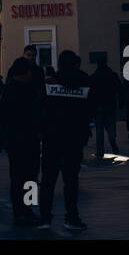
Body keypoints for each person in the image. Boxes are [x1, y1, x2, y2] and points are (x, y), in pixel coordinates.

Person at [38, 50, 92, 232]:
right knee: (71, 181)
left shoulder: (50, 82)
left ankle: (45, 217)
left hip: (52, 138)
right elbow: (89, 108)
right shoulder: (83, 80)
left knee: (48, 181)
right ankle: (72, 217)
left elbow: (42, 109)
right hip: (73, 138)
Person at [0, 58, 42, 226]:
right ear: (26, 73)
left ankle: (18, 212)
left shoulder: (7, 90)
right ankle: (29, 210)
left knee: (16, 177)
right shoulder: (29, 91)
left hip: (13, 142)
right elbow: (36, 116)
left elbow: (3, 116)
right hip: (28, 140)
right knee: (31, 178)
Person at [90, 58, 123, 157]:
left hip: (98, 107)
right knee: (111, 127)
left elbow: (91, 93)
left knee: (99, 130)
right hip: (110, 105)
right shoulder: (112, 75)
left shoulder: (94, 77)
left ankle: (100, 152)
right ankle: (113, 143)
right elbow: (119, 89)